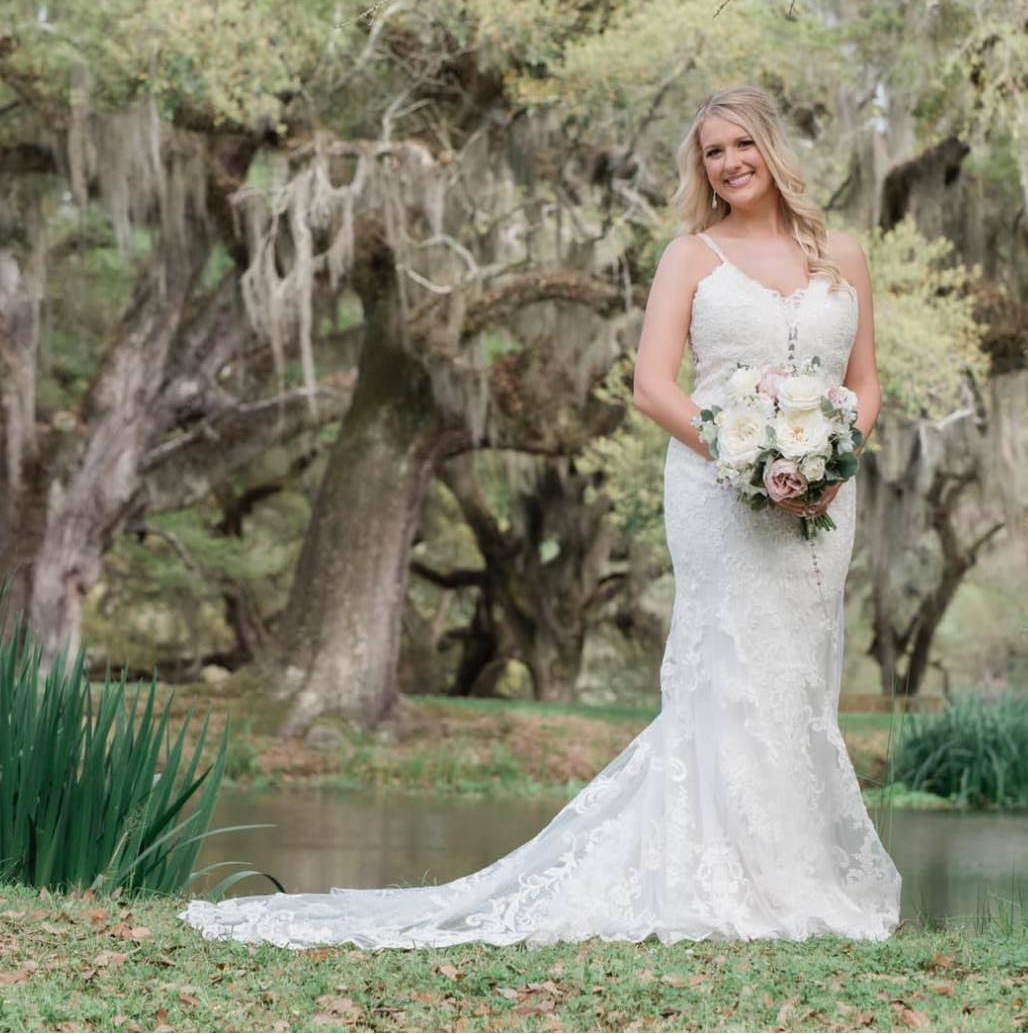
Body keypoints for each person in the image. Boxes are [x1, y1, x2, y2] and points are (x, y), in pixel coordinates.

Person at [179, 85, 901, 951]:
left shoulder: (841, 256)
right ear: (701, 167)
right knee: (731, 666)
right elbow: (652, 387)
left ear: (772, 147)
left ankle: (797, 875)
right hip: (721, 490)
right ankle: (719, 877)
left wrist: (826, 463)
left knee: (799, 674)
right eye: (713, 152)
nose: (730, 163)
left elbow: (866, 383)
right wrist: (748, 461)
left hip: (824, 502)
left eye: (742, 144)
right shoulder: (692, 257)